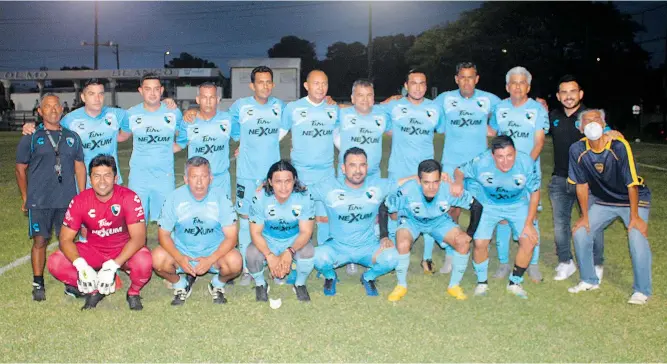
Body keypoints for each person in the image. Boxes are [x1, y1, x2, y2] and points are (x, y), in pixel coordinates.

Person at [568, 109, 652, 305]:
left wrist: (635, 216)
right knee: (580, 231)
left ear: (604, 124)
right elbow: (581, 185)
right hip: (604, 201)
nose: (591, 123)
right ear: (580, 128)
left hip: (633, 199)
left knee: (636, 235)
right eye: (586, 121)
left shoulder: (618, 145)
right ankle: (589, 280)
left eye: (596, 119)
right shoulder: (576, 150)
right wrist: (584, 216)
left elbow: (632, 183)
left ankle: (642, 290)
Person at [47, 155, 151, 310]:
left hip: (122, 249)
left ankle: (133, 292)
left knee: (144, 261)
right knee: (56, 262)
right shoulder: (80, 200)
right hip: (94, 250)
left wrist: (113, 265)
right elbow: (65, 239)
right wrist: (81, 265)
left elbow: (139, 238)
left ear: (115, 178)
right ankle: (96, 288)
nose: (102, 182)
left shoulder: (129, 197)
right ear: (90, 179)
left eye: (107, 176)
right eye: (97, 176)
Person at [312, 147, 412, 297]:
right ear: (343, 168)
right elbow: (300, 192)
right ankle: (330, 276)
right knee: (316, 256)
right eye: (352, 165)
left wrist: (430, 177)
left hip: (368, 247)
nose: (358, 170)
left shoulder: (376, 186)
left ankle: (368, 277)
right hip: (338, 247)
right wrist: (267, 188)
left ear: (367, 167)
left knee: (392, 258)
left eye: (362, 165)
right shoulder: (329, 187)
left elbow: (402, 183)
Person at [15, 93, 86, 301]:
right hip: (40, 200)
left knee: (68, 242)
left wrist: (81, 198)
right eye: (48, 107)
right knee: (40, 240)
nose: (53, 110)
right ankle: (38, 282)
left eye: (56, 106)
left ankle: (71, 282)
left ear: (62, 110)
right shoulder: (31, 137)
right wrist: (26, 197)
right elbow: (20, 169)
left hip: (67, 200)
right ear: (40, 111)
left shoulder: (73, 137)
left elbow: (79, 167)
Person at [433, 61, 501, 274]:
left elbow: (510, 109)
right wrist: (398, 97)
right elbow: (423, 108)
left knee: (480, 208)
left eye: (470, 77)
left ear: (477, 79)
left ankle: (479, 248)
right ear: (456, 79)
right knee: (452, 209)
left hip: (479, 167)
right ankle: (451, 254)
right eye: (462, 77)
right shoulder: (445, 99)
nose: (466, 81)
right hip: (452, 165)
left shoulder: (488, 99)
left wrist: (495, 128)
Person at [453, 136, 541, 299]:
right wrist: (458, 182)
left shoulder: (526, 162)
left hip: (517, 204)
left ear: (515, 153)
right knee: (480, 243)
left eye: (509, 156)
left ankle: (515, 282)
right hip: (488, 204)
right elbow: (459, 170)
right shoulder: (481, 161)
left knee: (529, 240)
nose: (505, 161)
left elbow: (535, 192)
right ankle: (482, 282)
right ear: (492, 156)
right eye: (500, 157)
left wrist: (528, 223)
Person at [384, 159, 483, 302]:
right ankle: (401, 285)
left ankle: (454, 286)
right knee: (402, 243)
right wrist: (383, 235)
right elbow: (384, 207)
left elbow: (477, 206)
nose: (431, 187)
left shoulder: (448, 189)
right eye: (426, 182)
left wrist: (469, 235)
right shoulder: (408, 189)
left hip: (438, 222)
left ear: (441, 179)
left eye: (435, 182)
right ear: (419, 180)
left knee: (463, 243)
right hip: (413, 221)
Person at [153, 156, 242, 305]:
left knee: (235, 261)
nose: (199, 182)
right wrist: (180, 258)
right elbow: (163, 235)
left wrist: (210, 260)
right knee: (157, 258)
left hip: (214, 254)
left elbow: (231, 237)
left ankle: (217, 284)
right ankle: (180, 284)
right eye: (194, 177)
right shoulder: (174, 197)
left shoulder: (221, 198)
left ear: (211, 178)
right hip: (183, 253)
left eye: (204, 176)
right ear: (186, 179)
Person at [488, 66, 548, 281]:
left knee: (530, 218)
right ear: (507, 86)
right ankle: (504, 263)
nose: (517, 86)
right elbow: (492, 133)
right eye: (513, 82)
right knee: (503, 218)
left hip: (528, 171)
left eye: (521, 82)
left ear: (528, 87)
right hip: (502, 171)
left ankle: (532, 263)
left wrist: (525, 167)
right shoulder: (500, 108)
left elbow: (539, 142)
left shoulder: (538, 109)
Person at [383, 69, 444, 275]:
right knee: (393, 211)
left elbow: (450, 126)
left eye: (422, 83)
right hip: (398, 168)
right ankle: (391, 255)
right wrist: (333, 103)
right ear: (406, 86)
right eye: (413, 83)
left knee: (427, 212)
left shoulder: (435, 109)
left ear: (426, 86)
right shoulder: (394, 105)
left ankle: (426, 258)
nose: (417, 87)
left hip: (425, 171)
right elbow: (367, 108)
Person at [549, 75, 606, 281]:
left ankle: (596, 263)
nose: (568, 96)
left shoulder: (590, 116)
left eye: (573, 91)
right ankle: (565, 262)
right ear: (558, 95)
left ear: (580, 94)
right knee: (560, 224)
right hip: (559, 179)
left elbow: (608, 133)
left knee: (592, 223)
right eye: (564, 92)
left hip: (587, 181)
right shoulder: (553, 115)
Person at [281, 70, 339, 247]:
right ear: (306, 86)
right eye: (316, 83)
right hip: (301, 172)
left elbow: (338, 139)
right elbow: (278, 135)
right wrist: (248, 148)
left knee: (324, 216)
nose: (321, 88)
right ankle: (294, 254)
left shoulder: (333, 108)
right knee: (298, 215)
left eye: (324, 83)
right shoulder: (293, 108)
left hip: (326, 172)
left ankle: (324, 257)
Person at [246, 160, 316, 302]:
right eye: (278, 181)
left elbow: (306, 232)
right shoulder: (260, 198)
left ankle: (300, 284)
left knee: (308, 251)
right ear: (270, 182)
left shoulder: (304, 197)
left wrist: (289, 251)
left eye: (288, 181)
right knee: (251, 253)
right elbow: (255, 233)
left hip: (293, 239)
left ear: (294, 180)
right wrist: (270, 256)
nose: (284, 187)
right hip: (268, 239)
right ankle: (260, 284)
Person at [120, 73, 183, 223]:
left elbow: (183, 133)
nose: (152, 93)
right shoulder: (131, 114)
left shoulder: (173, 112)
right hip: (138, 177)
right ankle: (139, 247)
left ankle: (166, 247)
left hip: (164, 176)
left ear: (161, 90)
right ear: (141, 91)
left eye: (156, 89)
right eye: (148, 89)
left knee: (167, 220)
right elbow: (122, 136)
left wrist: (179, 145)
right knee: (136, 220)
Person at [174, 83, 233, 199]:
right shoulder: (188, 122)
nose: (208, 101)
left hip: (221, 180)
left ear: (218, 99)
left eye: (211, 97)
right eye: (204, 97)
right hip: (197, 180)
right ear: (198, 100)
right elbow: (179, 145)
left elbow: (244, 135)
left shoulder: (228, 119)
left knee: (223, 216)